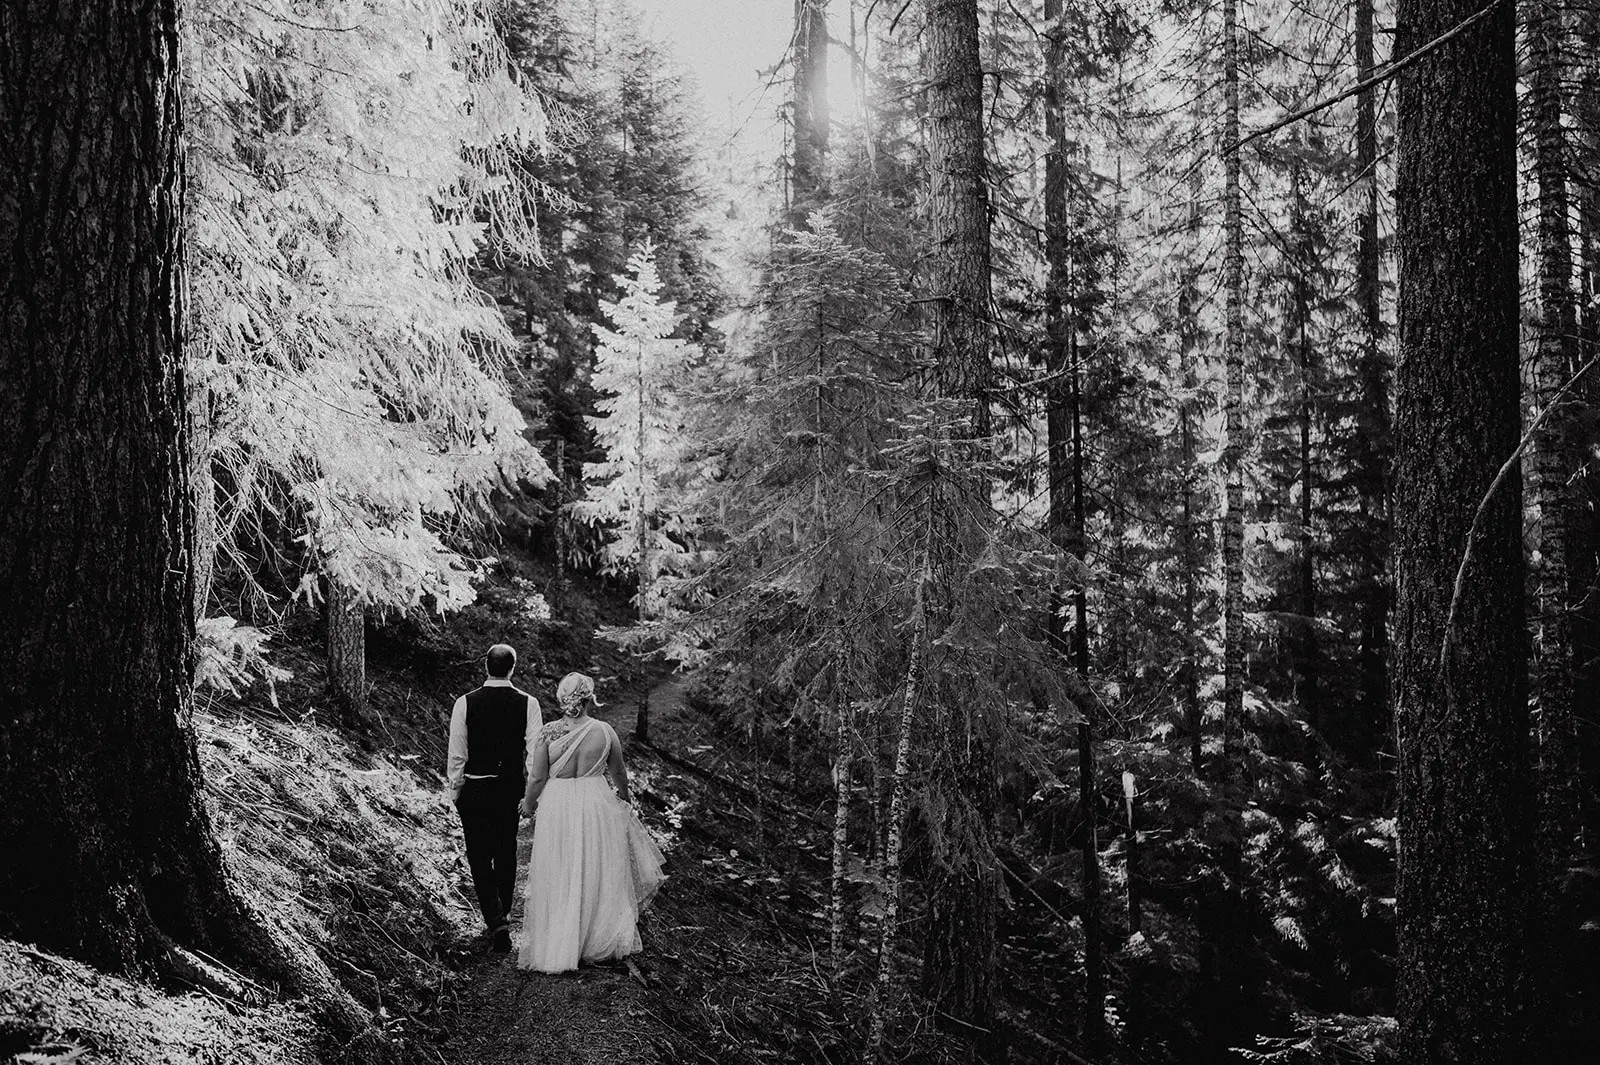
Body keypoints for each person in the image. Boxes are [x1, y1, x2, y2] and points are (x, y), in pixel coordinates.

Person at [517, 672, 664, 973]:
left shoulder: (547, 733)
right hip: (595, 802)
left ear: (561, 698)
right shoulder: (605, 731)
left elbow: (538, 776)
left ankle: (559, 942)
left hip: (557, 804)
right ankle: (590, 941)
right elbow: (619, 774)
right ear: (589, 698)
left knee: (559, 867)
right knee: (592, 867)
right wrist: (624, 797)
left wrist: (528, 805)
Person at [446, 643, 542, 952]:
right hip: (508, 787)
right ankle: (504, 914)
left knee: (477, 853)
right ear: (512, 669)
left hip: (474, 787)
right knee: (505, 849)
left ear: (486, 666)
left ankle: (495, 918)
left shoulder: (465, 702)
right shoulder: (528, 703)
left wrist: (455, 788)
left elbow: (457, 751)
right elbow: (534, 753)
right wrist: (530, 793)